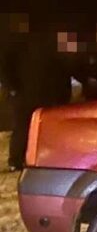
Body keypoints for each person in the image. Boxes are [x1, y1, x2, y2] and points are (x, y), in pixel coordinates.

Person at [2, 16, 72, 170]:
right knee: (23, 126)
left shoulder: (50, 47)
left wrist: (63, 91)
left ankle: (40, 158)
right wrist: (12, 88)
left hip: (43, 94)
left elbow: (61, 70)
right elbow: (6, 67)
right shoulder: (18, 45)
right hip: (24, 94)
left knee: (42, 128)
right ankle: (16, 160)